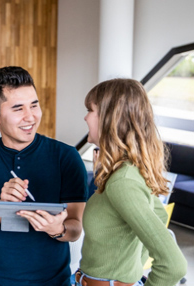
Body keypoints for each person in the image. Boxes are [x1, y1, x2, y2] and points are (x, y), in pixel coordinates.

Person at [0, 66, 88, 286]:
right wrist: (0, 205)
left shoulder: (66, 157)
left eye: (34, 105)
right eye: (18, 108)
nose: (30, 117)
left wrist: (58, 229)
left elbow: (75, 228)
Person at [77, 78, 187, 286]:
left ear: (109, 118)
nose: (85, 117)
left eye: (90, 110)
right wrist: (130, 266)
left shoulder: (123, 182)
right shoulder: (127, 172)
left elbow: (174, 266)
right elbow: (159, 214)